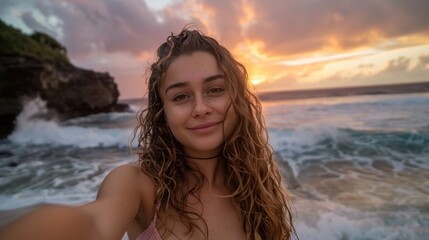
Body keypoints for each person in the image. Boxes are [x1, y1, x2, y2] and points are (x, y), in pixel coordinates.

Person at [0, 26, 296, 240]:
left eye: (215, 90)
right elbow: (90, 225)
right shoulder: (138, 186)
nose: (201, 108)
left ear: (238, 99)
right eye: (181, 96)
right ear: (162, 113)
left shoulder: (256, 187)